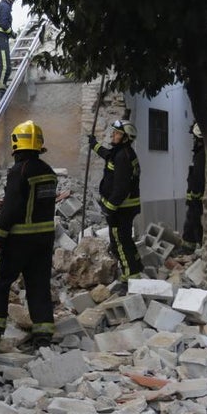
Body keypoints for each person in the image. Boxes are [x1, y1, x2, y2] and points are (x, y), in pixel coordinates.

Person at [0, 120, 58, 348]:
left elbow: (14, 208)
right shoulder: (48, 171)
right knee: (39, 284)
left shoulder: (19, 169)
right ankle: (43, 333)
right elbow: (33, 200)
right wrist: (9, 200)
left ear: (16, 143)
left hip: (19, 238)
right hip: (44, 239)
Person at [88, 118, 143, 292]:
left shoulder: (123, 157)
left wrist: (109, 209)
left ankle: (130, 279)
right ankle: (135, 267)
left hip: (121, 209)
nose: (114, 134)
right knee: (125, 239)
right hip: (124, 208)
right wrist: (94, 145)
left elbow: (121, 188)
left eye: (118, 133)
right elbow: (107, 154)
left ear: (126, 138)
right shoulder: (121, 152)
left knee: (119, 241)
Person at [182, 122, 205, 251]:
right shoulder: (201, 154)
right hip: (196, 199)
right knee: (191, 224)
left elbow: (198, 178)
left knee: (197, 224)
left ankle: (198, 249)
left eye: (194, 137)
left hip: (198, 199)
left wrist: (195, 197)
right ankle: (187, 250)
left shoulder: (201, 156)